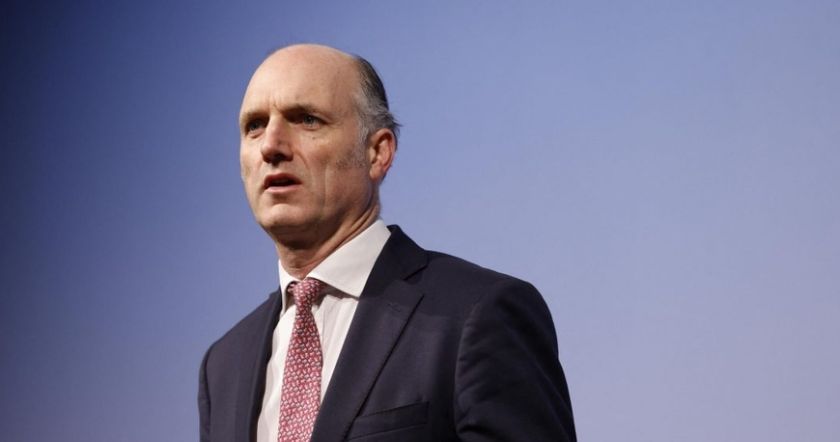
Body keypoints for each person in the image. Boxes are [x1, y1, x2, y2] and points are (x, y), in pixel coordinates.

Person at [198, 43, 576, 442]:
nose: (271, 146)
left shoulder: (478, 315)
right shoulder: (223, 366)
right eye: (254, 125)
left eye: (307, 119)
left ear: (378, 152)